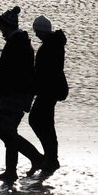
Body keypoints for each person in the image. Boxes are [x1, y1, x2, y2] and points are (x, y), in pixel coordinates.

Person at [0, 6, 42, 184]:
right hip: (18, 95)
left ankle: (36, 158)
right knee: (9, 131)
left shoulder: (15, 44)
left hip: (14, 95)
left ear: (7, 25)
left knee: (3, 130)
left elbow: (4, 73)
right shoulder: (20, 42)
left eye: (1, 25)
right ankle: (11, 172)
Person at [29, 15, 68, 174]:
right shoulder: (54, 43)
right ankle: (51, 158)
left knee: (37, 120)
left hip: (48, 90)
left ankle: (50, 159)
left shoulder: (49, 47)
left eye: (37, 31)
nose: (36, 34)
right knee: (46, 124)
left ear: (42, 30)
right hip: (52, 89)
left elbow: (43, 71)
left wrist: (33, 87)